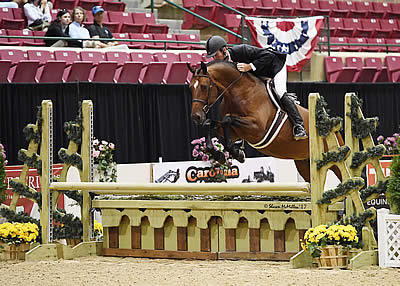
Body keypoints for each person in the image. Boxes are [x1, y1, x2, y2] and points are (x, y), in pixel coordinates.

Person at [205, 35, 308, 140]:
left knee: (280, 92)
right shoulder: (225, 65)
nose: (215, 59)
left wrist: (249, 66)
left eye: (215, 55)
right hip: (258, 72)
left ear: (224, 50)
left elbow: (268, 56)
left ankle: (299, 126)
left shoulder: (242, 50)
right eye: (212, 57)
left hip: (275, 65)